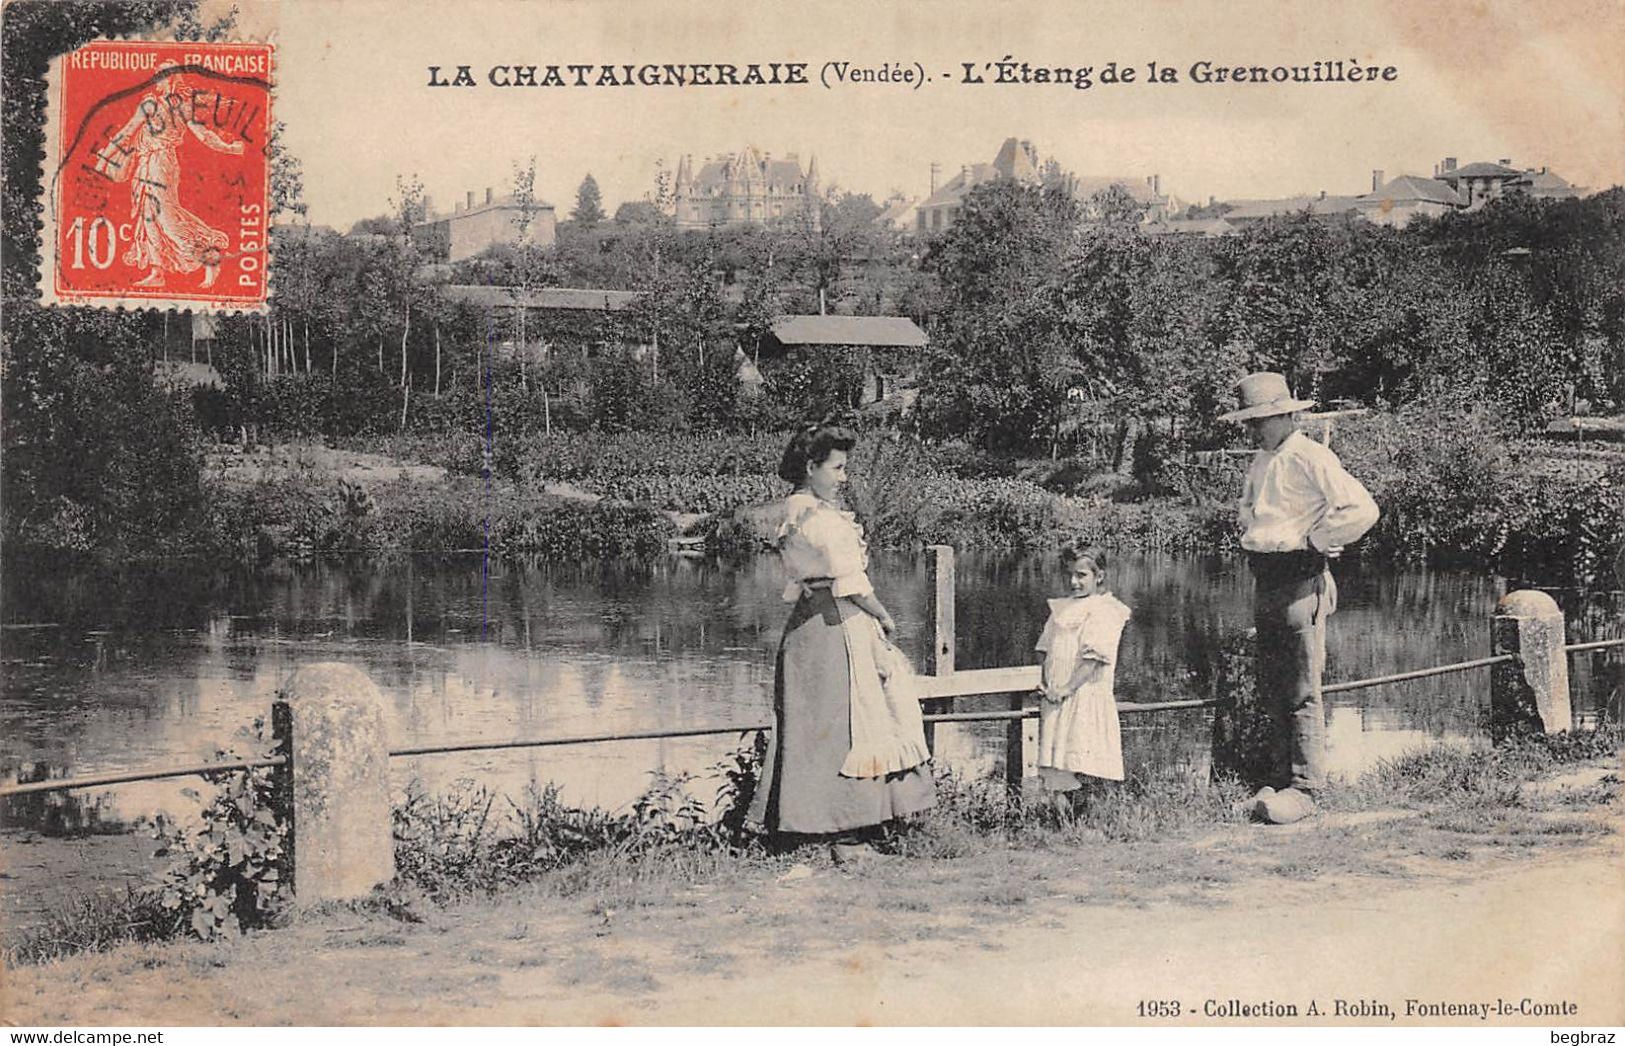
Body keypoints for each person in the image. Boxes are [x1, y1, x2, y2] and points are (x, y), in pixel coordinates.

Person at [745, 425, 935, 861]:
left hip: (807, 626)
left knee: (818, 725)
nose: (844, 477)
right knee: (855, 719)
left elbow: (802, 579)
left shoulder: (791, 513)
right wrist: (884, 616)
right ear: (811, 468)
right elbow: (851, 582)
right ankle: (845, 829)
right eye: (837, 468)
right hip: (836, 625)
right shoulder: (823, 520)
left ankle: (815, 825)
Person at [1221, 372, 1379, 824]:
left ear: (1289, 414)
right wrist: (1251, 531)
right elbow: (1251, 510)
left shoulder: (1311, 455)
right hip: (1265, 579)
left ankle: (1307, 787)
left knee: (1302, 688)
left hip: (1300, 581)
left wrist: (1318, 537)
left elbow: (1362, 508)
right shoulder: (1261, 459)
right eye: (1250, 421)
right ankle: (1277, 781)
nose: (1255, 429)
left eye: (1264, 419)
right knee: (1273, 683)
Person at [94, 62, 245, 289]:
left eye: (164, 77)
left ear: (174, 79)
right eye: (158, 76)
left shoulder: (184, 107)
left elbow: (205, 136)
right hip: (144, 163)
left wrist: (230, 148)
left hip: (163, 163)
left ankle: (210, 255)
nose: (159, 81)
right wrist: (104, 157)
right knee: (148, 218)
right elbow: (127, 131)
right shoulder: (149, 104)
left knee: (167, 218)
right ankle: (157, 272)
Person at [1034, 544, 1131, 806]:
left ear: (1099, 576)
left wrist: (1067, 688)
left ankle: (1087, 820)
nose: (1073, 582)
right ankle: (1061, 823)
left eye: (1081, 575)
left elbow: (1093, 660)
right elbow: (1044, 649)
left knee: (1082, 758)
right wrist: (1047, 684)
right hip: (1056, 696)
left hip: (1084, 694)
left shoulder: (1104, 610)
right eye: (1070, 575)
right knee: (1057, 766)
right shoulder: (1061, 609)